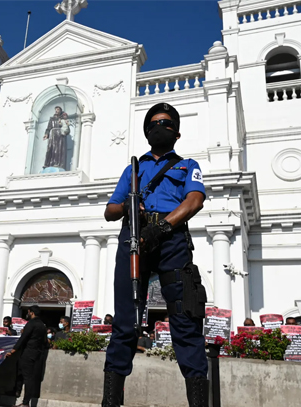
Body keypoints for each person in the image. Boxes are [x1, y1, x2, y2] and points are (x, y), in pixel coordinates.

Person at [103, 102, 208, 407]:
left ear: (176, 132)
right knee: (124, 324)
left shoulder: (188, 165)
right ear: (147, 131)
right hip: (133, 239)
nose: (159, 127)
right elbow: (110, 210)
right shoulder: (133, 169)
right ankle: (110, 402)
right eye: (153, 123)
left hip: (172, 240)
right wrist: (127, 207)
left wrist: (160, 228)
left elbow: (194, 201)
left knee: (186, 322)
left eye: (165, 123)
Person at [5, 305, 47, 407]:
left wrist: (13, 350)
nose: (27, 314)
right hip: (37, 354)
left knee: (27, 378)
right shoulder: (42, 325)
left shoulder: (31, 324)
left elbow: (23, 338)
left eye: (28, 312)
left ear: (31, 312)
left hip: (28, 353)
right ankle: (25, 401)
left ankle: (25, 403)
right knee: (30, 378)